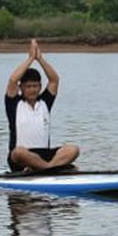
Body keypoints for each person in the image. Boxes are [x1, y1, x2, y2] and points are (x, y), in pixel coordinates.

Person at [5, 39, 80, 171]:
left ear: (40, 86)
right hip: (22, 159)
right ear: (21, 87)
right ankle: (52, 169)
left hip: (44, 156)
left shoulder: (45, 102)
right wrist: (30, 59)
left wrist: (40, 59)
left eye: (35, 86)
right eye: (28, 86)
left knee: (73, 149)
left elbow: (54, 79)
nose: (32, 89)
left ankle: (45, 168)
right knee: (18, 152)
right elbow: (13, 79)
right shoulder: (14, 104)